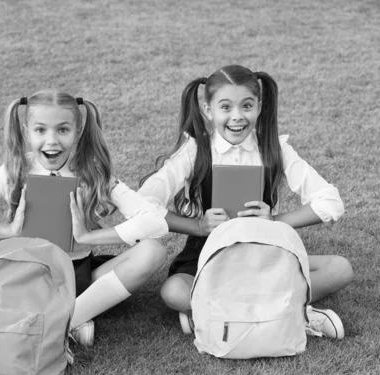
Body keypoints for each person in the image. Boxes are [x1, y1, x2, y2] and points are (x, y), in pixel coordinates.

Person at [0, 90, 168, 346]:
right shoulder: (15, 170)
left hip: (75, 278)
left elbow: (154, 222)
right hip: (20, 277)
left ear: (77, 132)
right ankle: (66, 321)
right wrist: (8, 231)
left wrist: (89, 237)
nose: (52, 141)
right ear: (26, 131)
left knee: (152, 251)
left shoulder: (92, 171)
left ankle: (59, 320)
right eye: (41, 130)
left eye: (63, 130)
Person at [139, 65, 353, 339]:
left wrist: (276, 221)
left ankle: (211, 315)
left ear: (260, 107)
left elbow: (330, 202)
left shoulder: (274, 148)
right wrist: (197, 226)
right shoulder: (195, 151)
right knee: (173, 290)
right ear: (208, 109)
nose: (237, 117)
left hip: (264, 252)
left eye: (247, 106)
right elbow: (143, 203)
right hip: (207, 254)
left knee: (339, 269)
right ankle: (293, 314)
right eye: (225, 107)